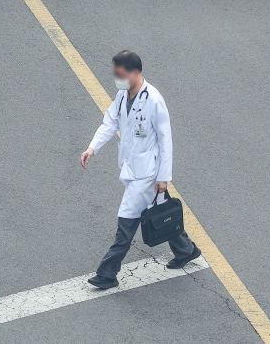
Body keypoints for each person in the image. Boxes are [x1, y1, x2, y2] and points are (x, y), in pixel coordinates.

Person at [80, 50, 201, 289]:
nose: (117, 78)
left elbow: (166, 139)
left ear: (135, 73)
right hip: (130, 167)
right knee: (158, 211)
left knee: (126, 223)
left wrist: (163, 177)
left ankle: (107, 273)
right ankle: (186, 249)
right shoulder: (123, 95)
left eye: (120, 74)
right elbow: (110, 122)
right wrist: (92, 147)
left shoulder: (153, 99)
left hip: (147, 174)